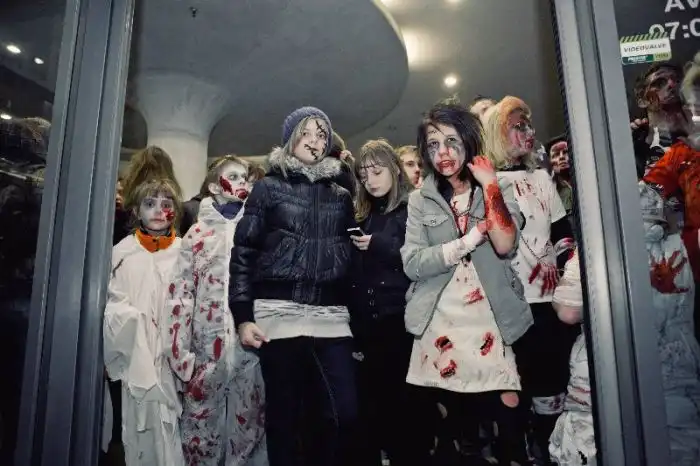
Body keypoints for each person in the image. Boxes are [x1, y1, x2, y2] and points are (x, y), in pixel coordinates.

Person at [401, 99, 532, 466]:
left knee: (508, 421)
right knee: (459, 433)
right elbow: (412, 263)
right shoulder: (420, 200)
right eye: (433, 144)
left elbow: (504, 244)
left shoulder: (496, 186)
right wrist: (465, 242)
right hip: (441, 322)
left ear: (468, 141)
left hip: (492, 318)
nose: (442, 152)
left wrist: (489, 185)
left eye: (451, 141)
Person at [229, 107, 357, 466]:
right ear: (291, 139)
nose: (315, 141)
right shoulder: (268, 187)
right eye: (307, 133)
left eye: (322, 134)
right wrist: (243, 316)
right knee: (286, 419)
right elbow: (244, 252)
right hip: (278, 316)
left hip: (331, 316)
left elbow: (351, 259)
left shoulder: (341, 195)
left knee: (342, 414)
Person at [483, 96, 577, 465]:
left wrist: (565, 268)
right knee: (511, 396)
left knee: (551, 392)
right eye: (518, 126)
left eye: (529, 125)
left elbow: (561, 231)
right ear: (497, 132)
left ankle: (551, 454)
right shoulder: (484, 183)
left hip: (548, 303)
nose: (529, 132)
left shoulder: (542, 178)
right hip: (507, 307)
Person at [166, 155, 266, 466]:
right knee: (201, 426)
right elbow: (181, 295)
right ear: (214, 187)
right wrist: (180, 352)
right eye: (232, 177)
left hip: (248, 348)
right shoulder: (197, 235)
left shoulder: (257, 231)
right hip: (205, 350)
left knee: (249, 423)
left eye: (244, 177)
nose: (241, 182)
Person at [103, 178, 186, 466]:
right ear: (137, 210)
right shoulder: (121, 253)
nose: (159, 211)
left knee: (174, 427)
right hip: (137, 353)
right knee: (139, 428)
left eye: (167, 204)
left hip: (173, 356)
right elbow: (113, 301)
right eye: (150, 204)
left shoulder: (185, 252)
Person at [348, 139, 414, 466]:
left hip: (402, 324)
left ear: (394, 169)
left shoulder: (413, 207)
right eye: (364, 175)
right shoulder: (362, 213)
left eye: (377, 172)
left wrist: (378, 245)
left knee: (405, 416)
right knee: (369, 415)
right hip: (367, 326)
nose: (370, 181)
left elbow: (421, 259)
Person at [644, 52, 700, 340]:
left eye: (674, 80)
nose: (670, 86)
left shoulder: (687, 146)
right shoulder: (635, 146)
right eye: (660, 83)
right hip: (670, 266)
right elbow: (641, 200)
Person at [547, 249, 596, 466]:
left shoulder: (596, 242)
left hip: (601, 357)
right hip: (675, 357)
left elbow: (569, 312)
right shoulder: (678, 240)